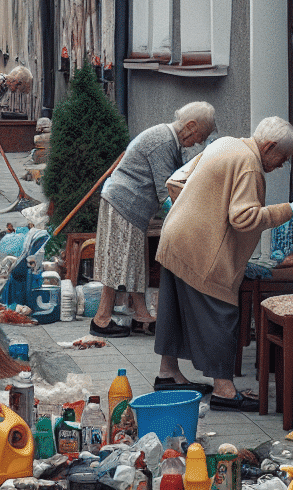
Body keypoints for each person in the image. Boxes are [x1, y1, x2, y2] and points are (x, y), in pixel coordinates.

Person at [153, 116, 293, 410]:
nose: (283, 165)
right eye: (284, 157)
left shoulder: (227, 144)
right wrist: (287, 210)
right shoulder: (251, 165)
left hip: (175, 236)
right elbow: (242, 218)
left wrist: (199, 211)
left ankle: (168, 373)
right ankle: (224, 391)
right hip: (198, 248)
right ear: (268, 146)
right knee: (221, 314)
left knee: (174, 309)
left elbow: (177, 180)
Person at [89, 102, 217, 340]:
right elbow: (165, 191)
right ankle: (101, 319)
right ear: (190, 126)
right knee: (120, 260)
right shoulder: (164, 141)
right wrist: (188, 224)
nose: (198, 143)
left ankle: (142, 315)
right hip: (125, 201)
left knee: (133, 261)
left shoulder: (170, 139)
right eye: (200, 136)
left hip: (128, 202)